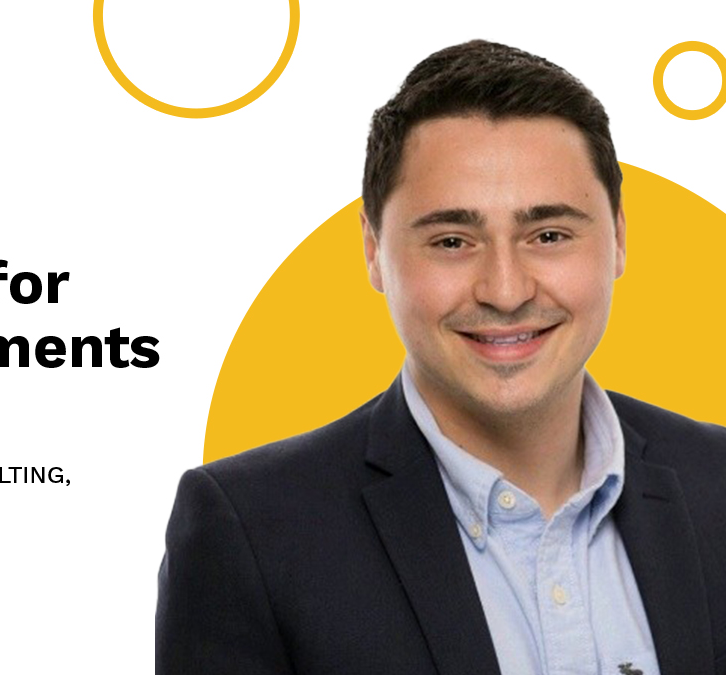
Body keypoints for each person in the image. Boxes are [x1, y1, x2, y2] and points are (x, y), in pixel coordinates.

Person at [156, 40, 726, 675]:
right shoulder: (251, 533)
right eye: (452, 240)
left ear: (618, 238)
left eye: (549, 235)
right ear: (373, 251)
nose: (506, 290)